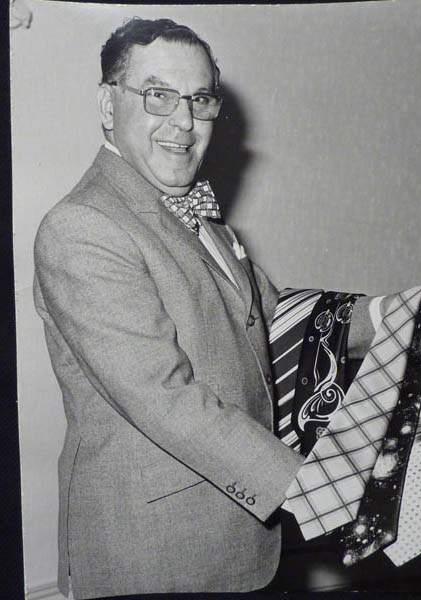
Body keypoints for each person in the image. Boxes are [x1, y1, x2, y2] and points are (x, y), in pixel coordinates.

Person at [33, 18, 402, 600]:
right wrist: (321, 487)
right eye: (158, 95)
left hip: (237, 541)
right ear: (108, 104)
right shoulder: (84, 227)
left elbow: (276, 318)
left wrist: (401, 314)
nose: (183, 121)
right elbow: (165, 398)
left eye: (199, 99)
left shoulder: (196, 212)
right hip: (153, 553)